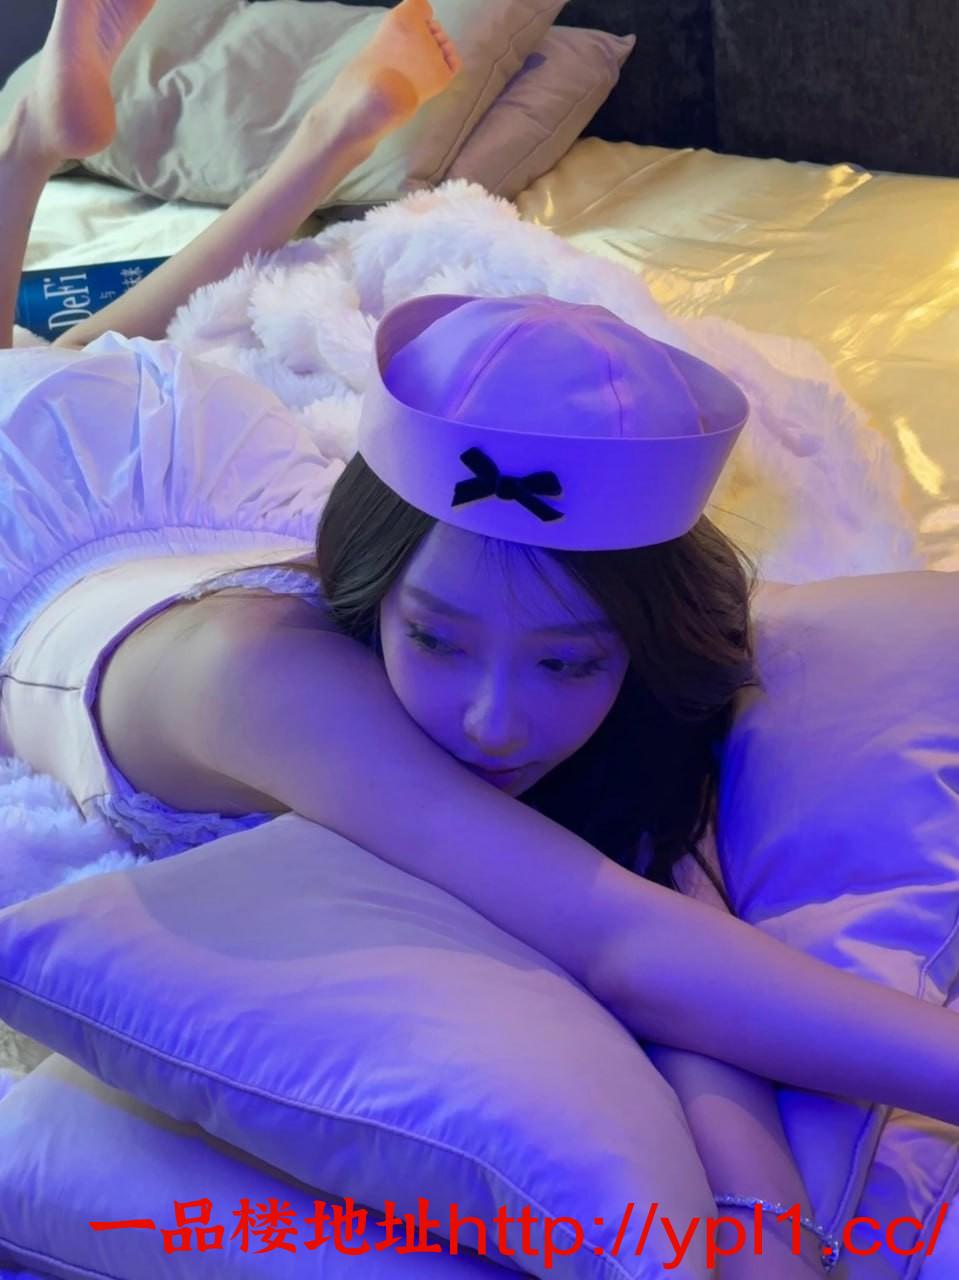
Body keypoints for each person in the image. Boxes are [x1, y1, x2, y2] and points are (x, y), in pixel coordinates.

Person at [1, 4, 956, 1277]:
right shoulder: (273, 682)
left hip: (217, 470)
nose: (495, 720)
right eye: (435, 643)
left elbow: (674, 921)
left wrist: (766, 1219)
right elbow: (622, 944)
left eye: (567, 661)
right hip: (41, 520)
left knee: (79, 347)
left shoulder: (481, 595)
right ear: (374, 594)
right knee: (37, 365)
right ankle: (47, 149)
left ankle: (306, 139)